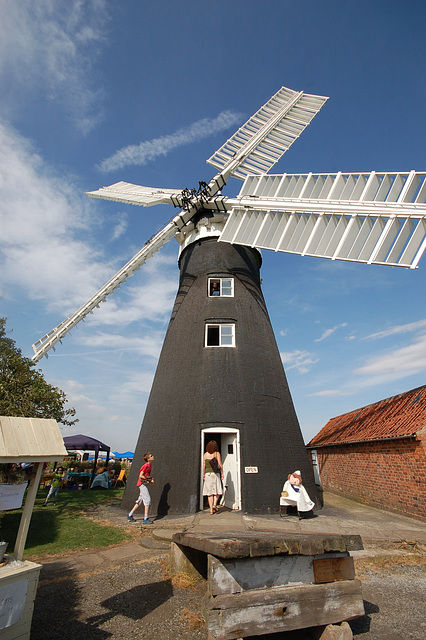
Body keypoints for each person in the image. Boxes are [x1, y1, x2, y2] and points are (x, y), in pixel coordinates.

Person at [127, 453, 154, 524]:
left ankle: (130, 515)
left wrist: (149, 479)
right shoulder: (145, 466)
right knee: (147, 500)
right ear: (148, 459)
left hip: (144, 484)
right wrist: (150, 479)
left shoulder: (150, 465)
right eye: (151, 456)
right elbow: (141, 475)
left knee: (139, 501)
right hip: (142, 484)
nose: (153, 456)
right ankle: (146, 518)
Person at [202, 440, 223, 515]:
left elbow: (203, 465)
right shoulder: (217, 453)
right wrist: (222, 473)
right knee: (217, 491)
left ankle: (211, 510)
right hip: (215, 474)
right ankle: (214, 504)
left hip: (208, 474)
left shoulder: (205, 454)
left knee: (209, 493)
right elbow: (220, 464)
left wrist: (203, 473)